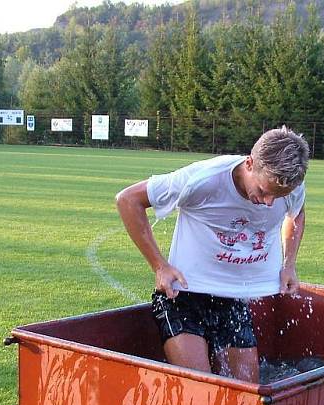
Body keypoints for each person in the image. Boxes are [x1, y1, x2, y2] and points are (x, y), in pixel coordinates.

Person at [116, 126, 309, 383]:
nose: (269, 202)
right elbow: (128, 200)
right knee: (200, 389)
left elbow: (296, 214)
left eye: (278, 195)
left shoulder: (289, 184)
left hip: (233, 298)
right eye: (263, 191)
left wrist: (289, 263)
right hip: (184, 296)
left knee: (246, 390)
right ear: (250, 164)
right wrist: (159, 266)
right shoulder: (203, 179)